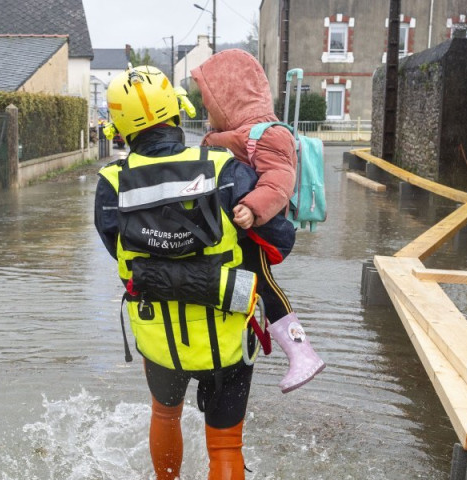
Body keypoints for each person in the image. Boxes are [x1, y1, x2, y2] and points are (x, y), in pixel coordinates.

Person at [94, 65, 296, 480]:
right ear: (175, 110)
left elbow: (120, 254)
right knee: (225, 443)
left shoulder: (111, 182)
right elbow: (280, 241)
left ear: (121, 127)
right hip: (227, 325)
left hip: (158, 331)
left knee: (165, 416)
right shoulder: (224, 168)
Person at [191, 48, 326, 393]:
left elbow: (280, 180)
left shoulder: (268, 134)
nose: (207, 113)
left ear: (228, 99)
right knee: (243, 290)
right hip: (231, 233)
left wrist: (252, 208)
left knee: (262, 286)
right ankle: (238, 347)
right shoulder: (229, 136)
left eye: (210, 105)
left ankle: (302, 353)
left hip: (256, 231)